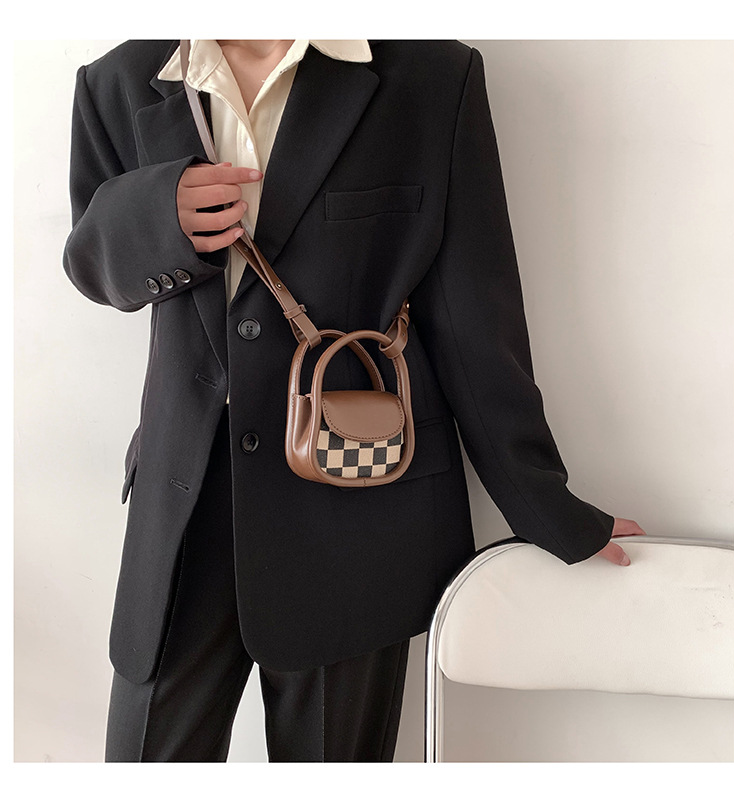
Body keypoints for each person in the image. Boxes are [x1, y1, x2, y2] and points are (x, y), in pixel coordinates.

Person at [62, 38, 646, 762]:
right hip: (181, 514)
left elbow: (473, 317)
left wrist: (545, 506)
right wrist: (157, 215)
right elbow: (93, 265)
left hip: (356, 510)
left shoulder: (430, 78)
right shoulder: (120, 80)